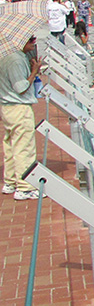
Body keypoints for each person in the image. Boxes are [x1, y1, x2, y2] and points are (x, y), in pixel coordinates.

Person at [0, 35, 42, 200]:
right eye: (30, 39)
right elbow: (21, 87)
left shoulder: (5, 56)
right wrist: (34, 72)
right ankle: (25, 187)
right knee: (24, 147)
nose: (34, 41)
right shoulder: (15, 60)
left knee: (10, 145)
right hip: (19, 108)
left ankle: (10, 181)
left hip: (7, 108)